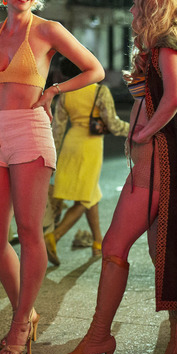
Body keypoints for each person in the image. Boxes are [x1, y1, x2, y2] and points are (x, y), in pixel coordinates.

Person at [54, 0, 177, 354]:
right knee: (160, 252)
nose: (131, 10)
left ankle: (98, 338)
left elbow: (176, 98)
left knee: (113, 249)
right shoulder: (174, 47)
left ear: (154, 6)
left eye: (137, 3)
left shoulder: (166, 46)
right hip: (168, 166)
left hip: (155, 167)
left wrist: (143, 132)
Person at [0, 0, 104, 354]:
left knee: (28, 230)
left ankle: (20, 321)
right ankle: (25, 309)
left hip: (30, 133)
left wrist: (55, 90)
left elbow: (93, 68)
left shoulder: (47, 30)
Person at [44, 60, 130, 265]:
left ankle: (97, 242)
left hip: (70, 145)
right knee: (84, 198)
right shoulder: (100, 91)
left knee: (91, 194)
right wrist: (136, 129)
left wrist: (51, 157)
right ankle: (54, 237)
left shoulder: (65, 94)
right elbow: (114, 125)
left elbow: (57, 130)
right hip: (90, 147)